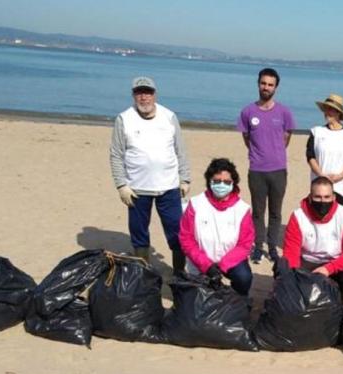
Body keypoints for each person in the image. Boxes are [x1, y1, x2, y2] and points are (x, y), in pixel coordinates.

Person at [109, 76, 191, 274]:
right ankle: (142, 273)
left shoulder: (169, 116)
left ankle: (179, 273)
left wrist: (185, 178)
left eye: (147, 92)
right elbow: (116, 154)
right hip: (137, 189)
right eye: (139, 93)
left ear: (154, 95)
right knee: (139, 233)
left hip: (169, 187)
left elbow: (180, 150)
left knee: (177, 231)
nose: (143, 97)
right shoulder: (124, 119)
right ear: (133, 95)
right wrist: (121, 185)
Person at [238, 67, 296, 264]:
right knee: (257, 212)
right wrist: (259, 153)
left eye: (270, 84)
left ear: (275, 87)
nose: (266, 87)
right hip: (256, 170)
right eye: (263, 83)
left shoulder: (284, 112)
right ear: (258, 84)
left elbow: (286, 137)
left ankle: (272, 247)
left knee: (275, 212)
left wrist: (274, 152)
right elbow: (247, 138)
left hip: (278, 169)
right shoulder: (247, 112)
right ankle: (258, 247)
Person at [178, 158, 254, 296]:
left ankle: (239, 300)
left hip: (230, 261)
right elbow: (186, 239)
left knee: (244, 278)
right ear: (209, 182)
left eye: (226, 182)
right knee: (196, 298)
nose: (221, 185)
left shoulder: (242, 209)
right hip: (200, 261)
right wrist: (207, 266)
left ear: (233, 183)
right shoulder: (195, 204)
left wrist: (223, 265)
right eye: (217, 181)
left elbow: (245, 244)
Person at [282, 177, 343, 301]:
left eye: (327, 197)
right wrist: (296, 277)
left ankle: (342, 300)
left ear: (334, 198)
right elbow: (291, 252)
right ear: (310, 197)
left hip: (335, 262)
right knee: (282, 269)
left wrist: (328, 269)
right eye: (318, 197)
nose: (322, 201)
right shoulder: (298, 216)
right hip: (307, 262)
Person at [307, 94, 343, 206]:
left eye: (331, 109)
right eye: (326, 109)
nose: (327, 112)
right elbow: (310, 156)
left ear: (338, 113)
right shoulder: (316, 132)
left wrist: (339, 177)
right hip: (319, 184)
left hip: (341, 186)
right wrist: (321, 175)